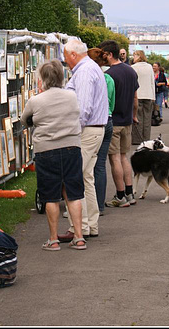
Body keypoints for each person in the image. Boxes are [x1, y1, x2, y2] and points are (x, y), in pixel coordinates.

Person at [20, 60, 86, 250]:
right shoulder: (72, 96)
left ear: (42, 79)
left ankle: (53, 239)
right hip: (72, 148)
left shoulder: (36, 100)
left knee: (50, 196)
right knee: (73, 194)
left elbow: (25, 121)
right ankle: (79, 237)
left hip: (46, 150)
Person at [60, 38, 107, 241]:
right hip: (93, 130)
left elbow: (84, 106)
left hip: (87, 130)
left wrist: (74, 131)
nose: (65, 61)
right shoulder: (88, 68)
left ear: (73, 54)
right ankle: (89, 225)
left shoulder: (85, 70)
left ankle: (78, 227)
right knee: (86, 178)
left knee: (74, 178)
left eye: (65, 57)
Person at [100, 40, 139, 208]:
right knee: (124, 156)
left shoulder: (109, 75)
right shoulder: (131, 71)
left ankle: (120, 194)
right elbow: (135, 99)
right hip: (127, 120)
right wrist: (134, 115)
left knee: (114, 158)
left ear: (109, 54)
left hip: (114, 121)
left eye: (103, 55)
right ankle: (130, 192)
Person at [87, 48, 115, 216]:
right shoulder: (109, 78)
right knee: (101, 165)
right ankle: (99, 204)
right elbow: (112, 102)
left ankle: (89, 206)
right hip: (108, 119)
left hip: (94, 123)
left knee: (87, 167)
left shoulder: (91, 76)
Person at [131, 50, 155, 145]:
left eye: (134, 55)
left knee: (137, 117)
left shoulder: (133, 68)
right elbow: (152, 82)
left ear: (138, 56)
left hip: (138, 95)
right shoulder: (149, 67)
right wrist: (153, 97)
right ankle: (146, 138)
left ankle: (137, 139)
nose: (133, 58)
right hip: (148, 95)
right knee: (147, 118)